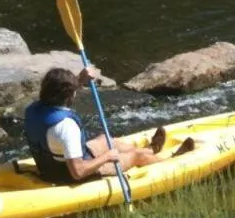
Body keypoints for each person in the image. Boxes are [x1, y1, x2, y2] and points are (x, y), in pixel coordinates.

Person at [24, 67, 193, 184]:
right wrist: (106, 157)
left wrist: (80, 80)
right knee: (134, 157)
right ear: (69, 94)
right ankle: (170, 162)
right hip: (67, 174)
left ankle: (151, 150)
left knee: (105, 140)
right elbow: (78, 172)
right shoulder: (66, 126)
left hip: (50, 164)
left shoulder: (35, 108)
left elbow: (61, 93)